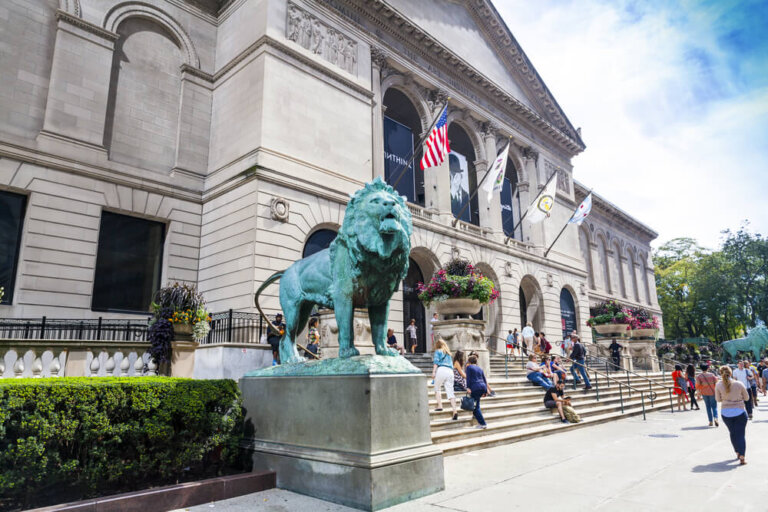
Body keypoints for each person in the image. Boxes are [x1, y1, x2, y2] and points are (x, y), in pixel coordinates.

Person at [715, 365, 749, 465]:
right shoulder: (738, 383)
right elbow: (747, 398)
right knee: (741, 434)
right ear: (731, 373)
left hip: (726, 412)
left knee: (732, 433)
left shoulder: (718, 385)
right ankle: (742, 456)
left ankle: (737, 452)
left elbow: (718, 399)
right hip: (739, 411)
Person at [431, 338, 457, 418]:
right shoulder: (448, 353)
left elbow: (436, 362)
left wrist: (434, 372)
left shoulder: (438, 351)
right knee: (450, 392)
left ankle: (440, 405)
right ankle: (454, 410)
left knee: (437, 388)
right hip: (450, 371)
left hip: (441, 369)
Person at [465, 354, 489, 429]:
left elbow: (468, 378)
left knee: (475, 408)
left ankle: (483, 423)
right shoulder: (480, 368)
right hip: (482, 387)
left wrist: (468, 387)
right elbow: (484, 379)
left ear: (469, 362)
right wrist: (485, 391)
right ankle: (481, 423)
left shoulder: (469, 367)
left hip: (475, 387)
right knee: (476, 406)